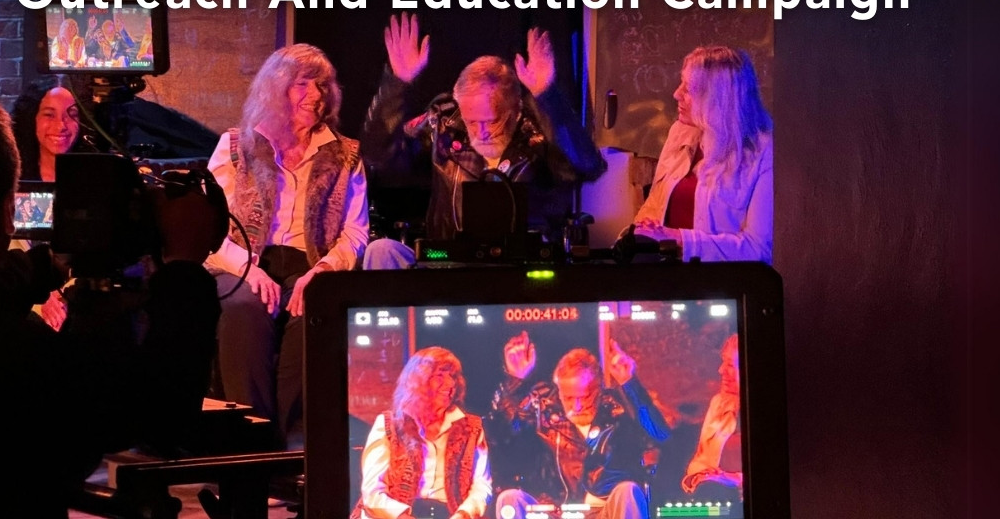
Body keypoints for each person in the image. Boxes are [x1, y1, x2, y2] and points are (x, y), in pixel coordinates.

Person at [0, 94, 222, 519]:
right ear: (7, 210)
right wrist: (183, 266)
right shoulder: (17, 357)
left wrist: (47, 267)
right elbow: (159, 412)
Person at [204, 43, 369, 448]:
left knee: (313, 311)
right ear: (276, 89)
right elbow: (206, 228)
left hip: (309, 263)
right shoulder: (235, 146)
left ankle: (281, 447)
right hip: (244, 261)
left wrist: (324, 271)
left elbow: (356, 232)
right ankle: (249, 442)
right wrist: (249, 269)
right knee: (244, 307)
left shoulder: (345, 155)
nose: (316, 95)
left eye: (323, 85)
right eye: (302, 84)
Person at [360, 12, 606, 269]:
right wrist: (396, 85)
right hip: (447, 262)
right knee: (382, 251)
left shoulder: (537, 129)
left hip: (521, 267)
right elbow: (377, 155)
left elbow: (588, 166)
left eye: (491, 121)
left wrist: (548, 96)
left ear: (514, 109)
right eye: (472, 121)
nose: (482, 132)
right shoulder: (443, 121)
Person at [488, 333, 670, 519]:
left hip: (605, 510)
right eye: (568, 398)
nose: (576, 406)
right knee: (509, 499)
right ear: (558, 392)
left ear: (598, 389)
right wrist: (516, 381)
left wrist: (629, 385)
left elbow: (660, 436)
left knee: (627, 491)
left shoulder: (619, 409)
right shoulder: (544, 414)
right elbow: (499, 436)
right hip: (557, 512)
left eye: (584, 397)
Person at [628, 45, 773, 263]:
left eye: (688, 89)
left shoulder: (764, 152)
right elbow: (654, 205)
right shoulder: (680, 132)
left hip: (718, 288)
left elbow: (759, 249)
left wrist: (678, 240)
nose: (676, 94)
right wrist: (640, 230)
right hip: (662, 279)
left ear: (718, 98)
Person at [353, 346, 492, 519]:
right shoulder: (390, 425)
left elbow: (482, 486)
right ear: (418, 381)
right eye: (440, 375)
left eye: (453, 376)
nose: (450, 384)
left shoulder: (471, 428)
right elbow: (372, 493)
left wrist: (463, 514)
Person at [9, 75, 92, 330]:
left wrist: (67, 292)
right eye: (49, 115)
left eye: (71, 114)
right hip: (26, 298)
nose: (61, 125)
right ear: (31, 120)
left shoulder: (95, 177)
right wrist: (40, 298)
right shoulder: (14, 180)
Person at [681, 334, 743, 502]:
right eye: (723, 362)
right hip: (713, 499)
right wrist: (702, 477)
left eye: (730, 364)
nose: (721, 370)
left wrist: (732, 480)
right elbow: (699, 462)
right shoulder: (718, 404)